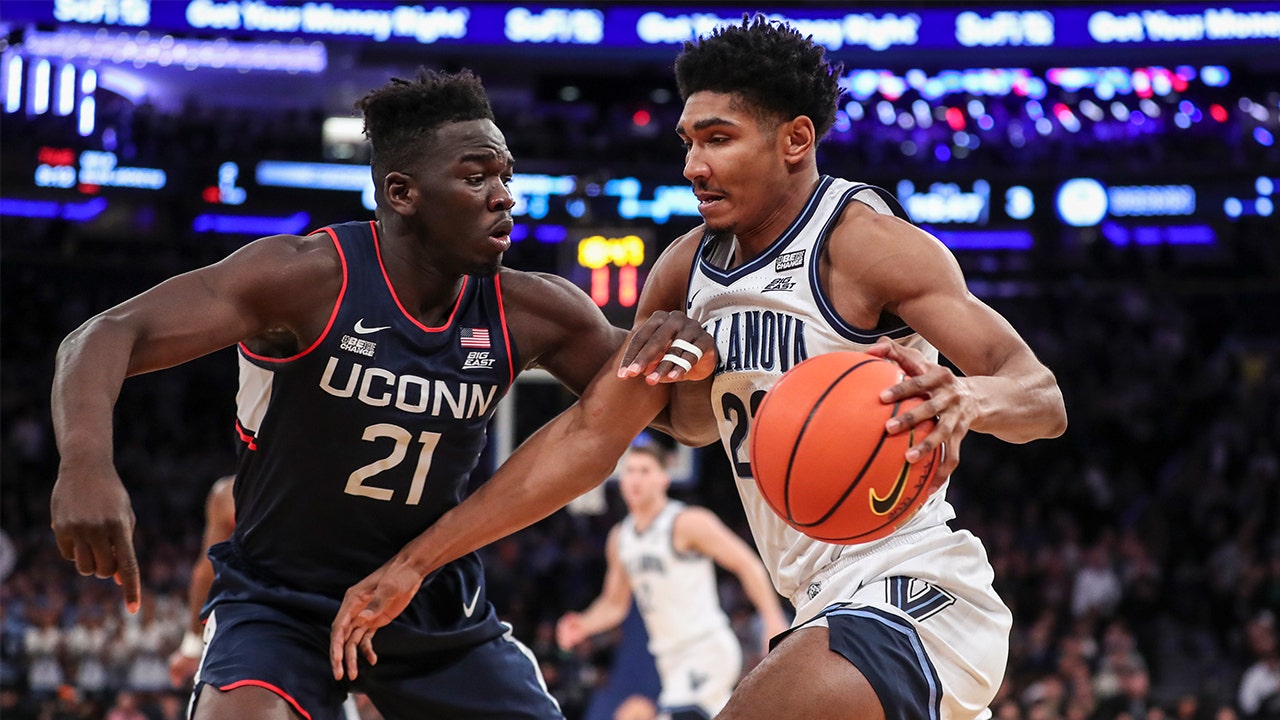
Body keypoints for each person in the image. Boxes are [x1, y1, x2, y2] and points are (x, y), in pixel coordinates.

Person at [329, 16, 1066, 720]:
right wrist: (416, 563)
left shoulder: (866, 244)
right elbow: (601, 436)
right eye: (688, 141)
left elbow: (1039, 394)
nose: (693, 166)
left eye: (719, 139)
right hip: (816, 596)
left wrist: (967, 397)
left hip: (915, 586)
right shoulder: (684, 272)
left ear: (795, 140)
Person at [49, 67, 714, 720]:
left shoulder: (537, 311)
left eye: (506, 175)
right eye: (476, 176)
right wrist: (85, 464)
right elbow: (105, 334)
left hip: (427, 600)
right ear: (402, 193)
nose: (504, 195)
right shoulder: (304, 278)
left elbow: (683, 423)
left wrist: (692, 354)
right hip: (282, 602)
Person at [555, 444, 788, 719]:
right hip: (670, 661)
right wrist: (583, 625)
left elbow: (746, 563)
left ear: (663, 478)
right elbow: (614, 604)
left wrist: (772, 619)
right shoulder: (621, 538)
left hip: (705, 649)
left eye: (645, 471)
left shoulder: (686, 522)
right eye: (630, 471)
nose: (636, 479)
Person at [168, 476, 234, 690]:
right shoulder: (228, 495)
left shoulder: (229, 494)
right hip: (244, 626)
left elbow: (205, 574)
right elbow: (206, 573)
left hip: (323, 622)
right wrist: (191, 646)